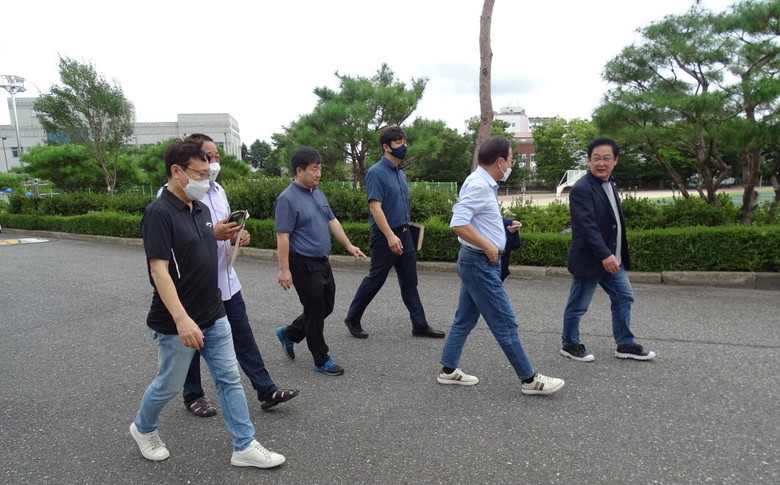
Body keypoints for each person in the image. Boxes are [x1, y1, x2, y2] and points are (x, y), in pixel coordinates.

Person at [130, 139, 284, 468]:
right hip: (177, 319)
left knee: (229, 378)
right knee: (170, 384)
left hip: (213, 312)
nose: (206, 179)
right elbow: (158, 270)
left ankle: (244, 445)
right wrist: (182, 319)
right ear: (177, 171)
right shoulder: (159, 213)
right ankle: (143, 428)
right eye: (200, 173)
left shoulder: (199, 209)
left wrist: (232, 235)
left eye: (207, 173)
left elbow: (204, 244)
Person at [158, 134, 298, 416]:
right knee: (191, 344)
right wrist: (213, 233)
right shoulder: (169, 197)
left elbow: (222, 227)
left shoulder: (218, 190)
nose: (214, 162)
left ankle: (266, 389)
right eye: (209, 157)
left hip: (227, 281)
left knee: (243, 336)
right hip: (194, 287)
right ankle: (193, 396)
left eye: (216, 157)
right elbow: (178, 242)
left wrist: (237, 234)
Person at [437, 136, 565, 395]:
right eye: (510, 159)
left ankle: (448, 370)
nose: (511, 164)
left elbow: (478, 217)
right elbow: (458, 223)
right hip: (480, 264)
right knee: (505, 323)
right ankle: (530, 380)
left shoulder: (481, 182)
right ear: (499, 161)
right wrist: (488, 245)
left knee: (464, 319)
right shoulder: (479, 185)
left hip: (474, 262)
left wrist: (503, 224)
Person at [560, 137, 656, 362]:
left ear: (615, 160)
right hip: (591, 259)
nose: (600, 163)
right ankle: (569, 344)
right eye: (596, 158)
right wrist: (605, 254)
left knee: (624, 297)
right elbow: (587, 227)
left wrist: (613, 255)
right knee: (578, 305)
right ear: (588, 160)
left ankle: (625, 344)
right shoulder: (582, 189)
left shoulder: (610, 183)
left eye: (606, 158)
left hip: (613, 259)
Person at [343, 126, 445, 339]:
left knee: (410, 282)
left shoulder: (401, 173)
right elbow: (375, 207)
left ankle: (420, 325)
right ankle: (352, 318)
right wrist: (390, 235)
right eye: (398, 143)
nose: (403, 146)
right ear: (386, 147)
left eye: (404, 142)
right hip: (385, 236)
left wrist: (406, 231)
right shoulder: (376, 172)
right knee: (376, 279)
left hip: (405, 234)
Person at [274, 146, 367, 376]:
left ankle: (290, 333)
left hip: (322, 261)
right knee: (315, 310)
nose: (318, 173)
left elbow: (332, 221)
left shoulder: (317, 193)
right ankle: (321, 359)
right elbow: (282, 236)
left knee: (327, 305)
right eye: (314, 169)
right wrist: (284, 269)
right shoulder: (287, 199)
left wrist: (349, 246)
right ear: (299, 170)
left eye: (320, 168)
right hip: (302, 263)